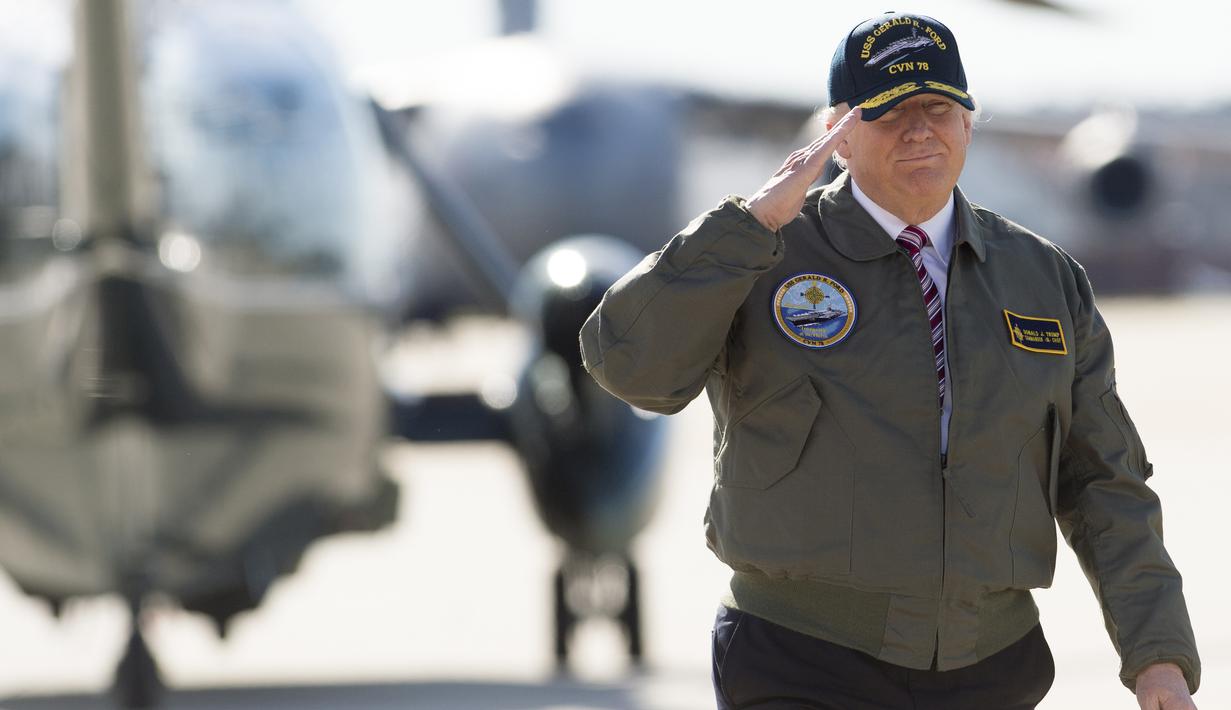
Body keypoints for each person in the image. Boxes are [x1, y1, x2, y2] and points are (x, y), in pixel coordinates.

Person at [578, 10, 1201, 710]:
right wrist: (745, 226)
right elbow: (628, 369)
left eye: (938, 106)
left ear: (968, 121)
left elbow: (1102, 483)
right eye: (887, 110)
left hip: (991, 668)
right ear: (836, 133)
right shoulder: (759, 252)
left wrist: (1157, 658)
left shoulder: (1042, 278)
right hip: (799, 662)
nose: (918, 128)